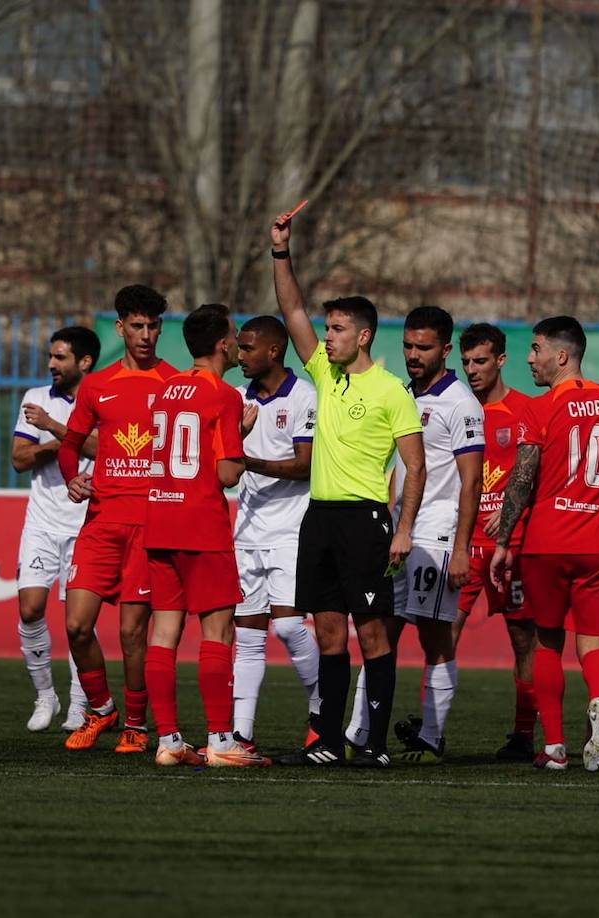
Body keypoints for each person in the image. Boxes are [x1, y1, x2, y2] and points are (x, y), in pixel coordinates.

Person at [269, 209, 425, 768]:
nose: (325, 337)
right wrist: (281, 252)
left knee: (373, 637)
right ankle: (328, 744)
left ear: (361, 336)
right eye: (325, 328)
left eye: (335, 329)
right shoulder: (324, 375)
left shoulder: (391, 391)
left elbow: (416, 466)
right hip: (321, 519)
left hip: (365, 521)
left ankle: (375, 746)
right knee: (330, 636)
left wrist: (403, 529)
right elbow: (290, 310)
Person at [490, 316, 599, 772]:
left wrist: (503, 541)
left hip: (546, 544)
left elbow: (521, 479)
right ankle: (597, 701)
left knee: (546, 643)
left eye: (536, 349)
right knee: (595, 644)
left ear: (561, 356)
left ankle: (555, 748)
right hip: (598, 544)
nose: (529, 358)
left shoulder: (538, 410)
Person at [345, 305, 483, 765]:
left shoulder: (461, 403)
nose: (412, 355)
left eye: (423, 347)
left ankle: (431, 737)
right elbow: (400, 469)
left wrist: (462, 547)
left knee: (434, 636)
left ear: (445, 349)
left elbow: (471, 481)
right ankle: (360, 729)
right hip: (400, 532)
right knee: (378, 630)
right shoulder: (404, 393)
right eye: (406, 345)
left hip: (437, 536)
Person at [144, 303, 269, 767]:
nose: (238, 343)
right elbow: (227, 473)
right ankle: (220, 740)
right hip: (201, 525)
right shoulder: (224, 395)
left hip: (159, 520)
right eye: (234, 336)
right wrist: (242, 430)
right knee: (217, 631)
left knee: (163, 633)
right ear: (221, 344)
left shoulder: (164, 390)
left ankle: (170, 741)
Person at [57, 285, 179, 753]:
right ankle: (101, 709)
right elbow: (70, 446)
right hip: (101, 523)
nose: (146, 335)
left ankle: (136, 723)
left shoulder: (173, 382)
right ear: (120, 328)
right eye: (137, 326)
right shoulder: (96, 385)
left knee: (132, 633)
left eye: (153, 326)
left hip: (150, 527)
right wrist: (72, 479)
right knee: (76, 626)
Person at [231, 315, 321, 749]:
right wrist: (235, 444)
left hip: (292, 529)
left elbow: (305, 467)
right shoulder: (234, 399)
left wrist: (247, 460)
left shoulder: (305, 396)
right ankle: (241, 733)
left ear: (272, 350)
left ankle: (322, 710)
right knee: (247, 634)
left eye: (247, 348)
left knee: (287, 629)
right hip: (247, 531)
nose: (239, 354)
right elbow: (225, 469)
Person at [452, 323, 541, 761]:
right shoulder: (455, 408)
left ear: (501, 360)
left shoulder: (526, 411)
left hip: (514, 546)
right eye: (466, 361)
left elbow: (539, 477)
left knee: (524, 639)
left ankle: (524, 734)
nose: (471, 370)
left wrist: (508, 513)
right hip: (462, 545)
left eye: (481, 361)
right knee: (441, 634)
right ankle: (432, 731)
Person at [10, 326, 102, 733]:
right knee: (30, 609)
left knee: (79, 623)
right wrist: (60, 444)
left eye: (60, 357)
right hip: (43, 523)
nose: (51, 364)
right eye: (51, 356)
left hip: (88, 524)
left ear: (84, 362)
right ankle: (45, 694)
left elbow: (102, 448)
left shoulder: (101, 396)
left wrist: (50, 427)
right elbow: (19, 458)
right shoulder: (35, 398)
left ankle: (81, 705)